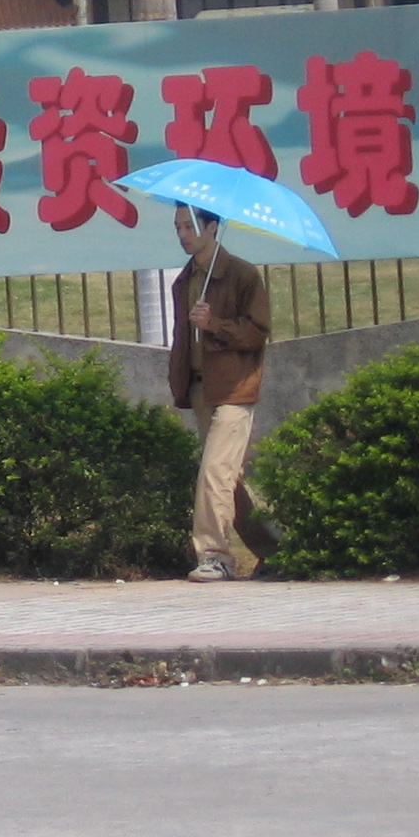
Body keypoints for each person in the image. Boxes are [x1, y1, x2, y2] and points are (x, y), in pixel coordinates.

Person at [170, 205, 279, 582]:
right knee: (229, 478)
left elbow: (257, 332)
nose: (183, 235)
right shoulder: (185, 280)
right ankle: (276, 549)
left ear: (213, 227)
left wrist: (214, 323)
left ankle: (214, 555)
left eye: (190, 226)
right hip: (202, 387)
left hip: (235, 388)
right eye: (178, 227)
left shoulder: (242, 274)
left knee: (215, 470)